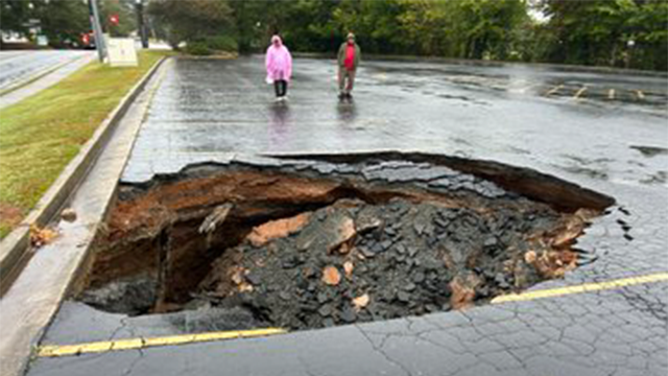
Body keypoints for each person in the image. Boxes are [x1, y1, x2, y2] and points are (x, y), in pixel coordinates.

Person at [265, 35, 293, 101]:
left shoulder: (284, 48)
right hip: (275, 68)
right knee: (276, 81)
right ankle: (278, 95)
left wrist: (289, 66)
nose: (277, 43)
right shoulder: (270, 49)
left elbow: (288, 58)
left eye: (277, 41)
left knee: (284, 81)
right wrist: (269, 68)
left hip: (284, 67)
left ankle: (283, 94)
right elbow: (268, 59)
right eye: (275, 41)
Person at [337, 32, 361, 99]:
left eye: (352, 38)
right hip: (343, 66)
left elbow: (358, 57)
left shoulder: (357, 47)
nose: (351, 39)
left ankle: (348, 92)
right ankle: (342, 91)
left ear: (354, 39)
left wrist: (356, 65)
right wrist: (339, 63)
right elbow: (339, 54)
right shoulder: (343, 45)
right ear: (347, 39)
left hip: (352, 66)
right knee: (341, 79)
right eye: (349, 38)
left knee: (351, 80)